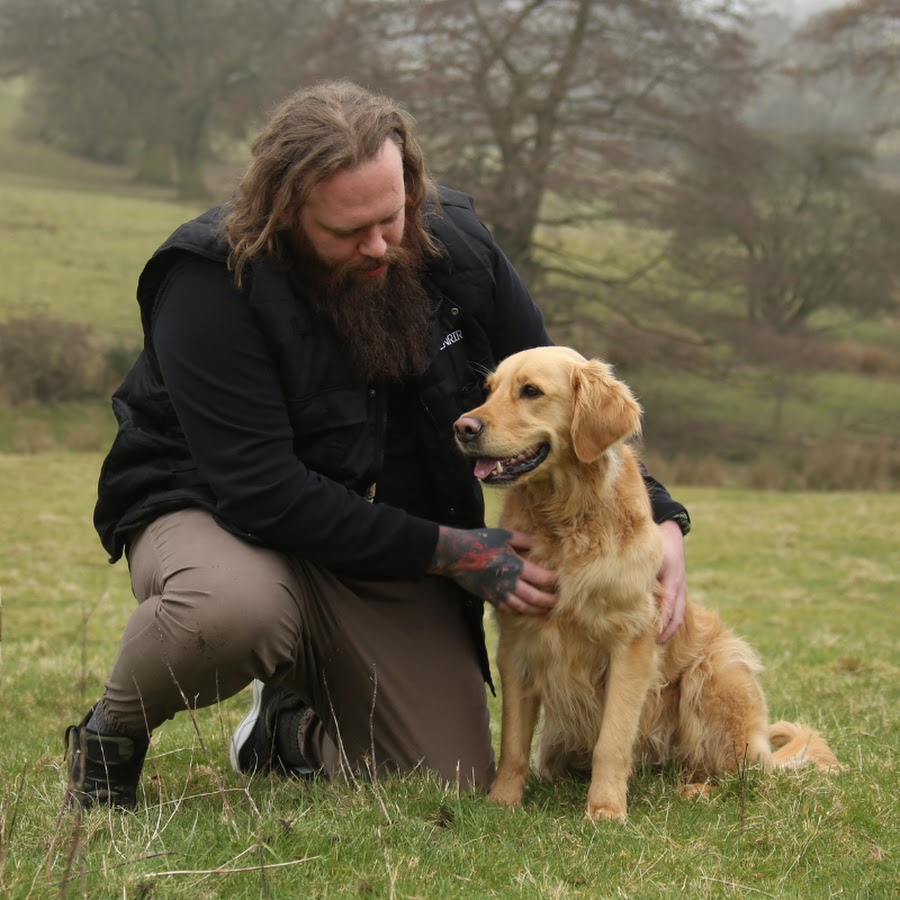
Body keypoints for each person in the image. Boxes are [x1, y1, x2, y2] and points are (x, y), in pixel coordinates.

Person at [65, 80, 691, 809]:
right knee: (230, 608)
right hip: (218, 515)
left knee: (445, 777)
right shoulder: (208, 282)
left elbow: (557, 392)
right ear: (284, 212)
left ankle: (284, 731)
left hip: (386, 542)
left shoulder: (456, 244)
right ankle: (112, 736)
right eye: (346, 232)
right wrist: (454, 552)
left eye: (392, 217)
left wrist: (661, 516)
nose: (380, 246)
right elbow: (261, 490)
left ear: (413, 187)